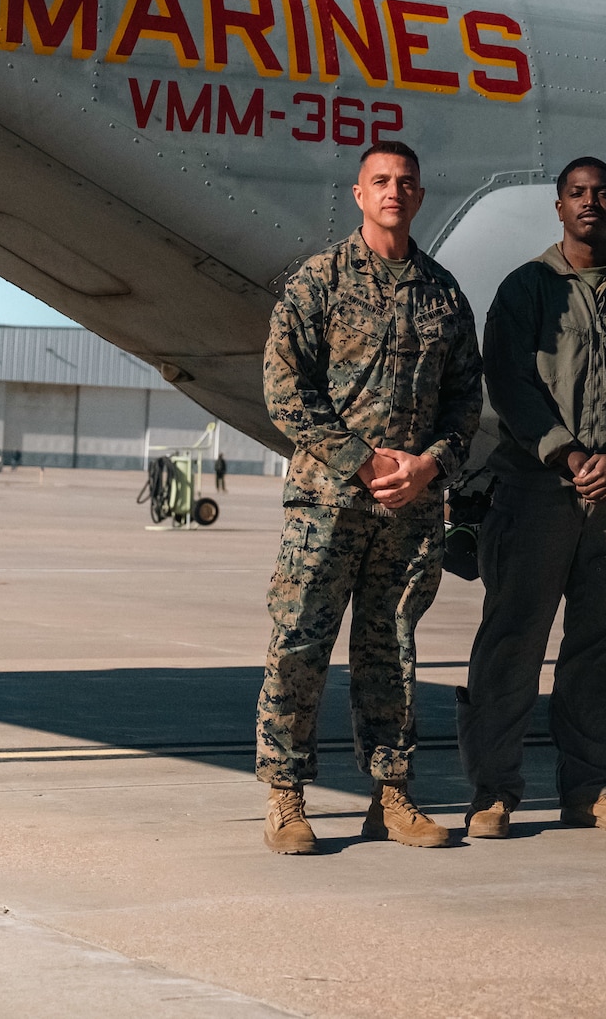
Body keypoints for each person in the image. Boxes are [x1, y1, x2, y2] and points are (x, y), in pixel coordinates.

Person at [256, 140, 482, 854]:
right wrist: (358, 460)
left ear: (419, 197)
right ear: (359, 194)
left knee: (393, 651)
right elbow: (284, 389)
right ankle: (286, 796)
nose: (394, 191)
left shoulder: (444, 293)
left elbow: (464, 402)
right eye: (380, 180)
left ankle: (391, 793)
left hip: (408, 511)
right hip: (327, 503)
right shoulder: (317, 282)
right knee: (299, 643)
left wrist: (429, 467)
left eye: (406, 182)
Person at [456, 157, 606, 839]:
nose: (591, 203)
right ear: (559, 207)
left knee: (599, 648)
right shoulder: (526, 289)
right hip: (537, 491)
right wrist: (566, 451)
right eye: (578, 194)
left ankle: (590, 788)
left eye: (602, 193)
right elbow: (509, 382)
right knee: (512, 642)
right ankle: (494, 791)